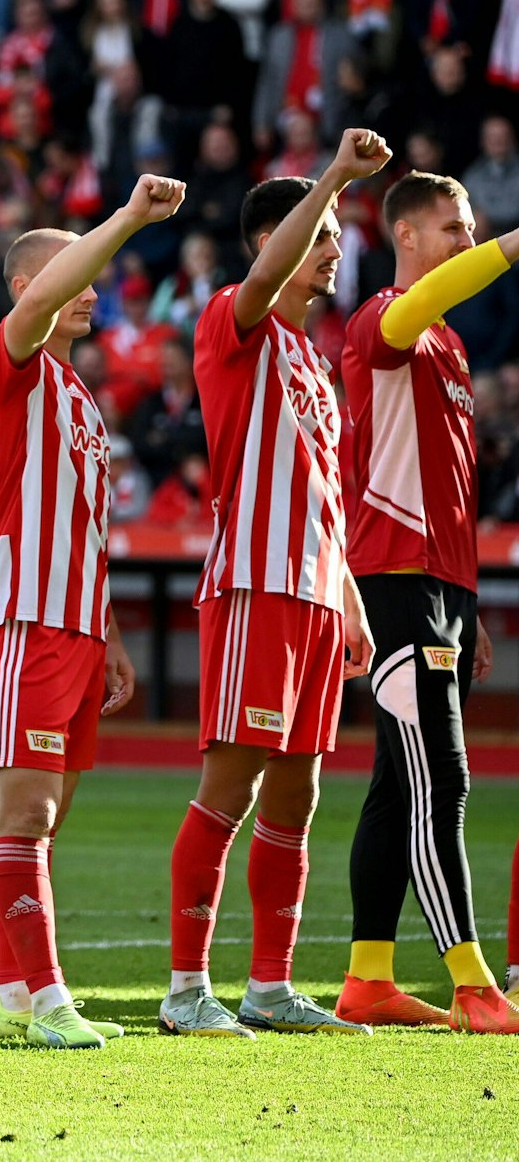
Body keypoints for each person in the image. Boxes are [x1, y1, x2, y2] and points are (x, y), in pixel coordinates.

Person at [160, 131, 388, 1039]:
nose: (335, 251)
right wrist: (332, 176)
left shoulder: (313, 363)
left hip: (316, 597)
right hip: (255, 584)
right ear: (274, 240)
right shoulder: (235, 314)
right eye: (322, 234)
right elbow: (261, 281)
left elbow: (324, 495)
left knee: (298, 794)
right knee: (231, 786)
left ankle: (269, 987)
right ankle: (185, 990)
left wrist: (351, 599)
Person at [0, 178, 177, 1050]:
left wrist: (113, 634)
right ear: (29, 288)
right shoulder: (7, 358)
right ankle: (52, 998)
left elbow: (87, 527)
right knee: (26, 817)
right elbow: (46, 299)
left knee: (48, 821)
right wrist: (126, 218)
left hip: (80, 625)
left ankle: (15, 995)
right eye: (76, 274)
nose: (93, 290)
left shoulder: (78, 393)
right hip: (25, 615)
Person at [336, 172, 519, 1033]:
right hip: (393, 581)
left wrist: (468, 603)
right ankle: (474, 983)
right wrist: (512, 246)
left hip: (440, 587)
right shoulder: (384, 320)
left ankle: (368, 976)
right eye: (453, 227)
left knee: (396, 785)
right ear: (405, 235)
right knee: (441, 779)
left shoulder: (447, 345)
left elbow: (448, 486)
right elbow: (420, 302)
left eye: (472, 229)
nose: (466, 241)